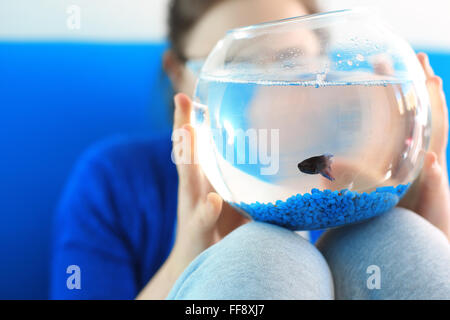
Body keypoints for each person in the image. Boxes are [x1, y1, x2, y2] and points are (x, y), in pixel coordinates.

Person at [50, 0, 450, 300]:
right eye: (236, 63)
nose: (264, 90)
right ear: (176, 73)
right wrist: (187, 268)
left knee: (404, 235)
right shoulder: (114, 180)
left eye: (290, 63)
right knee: (264, 253)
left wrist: (433, 245)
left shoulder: (365, 176)